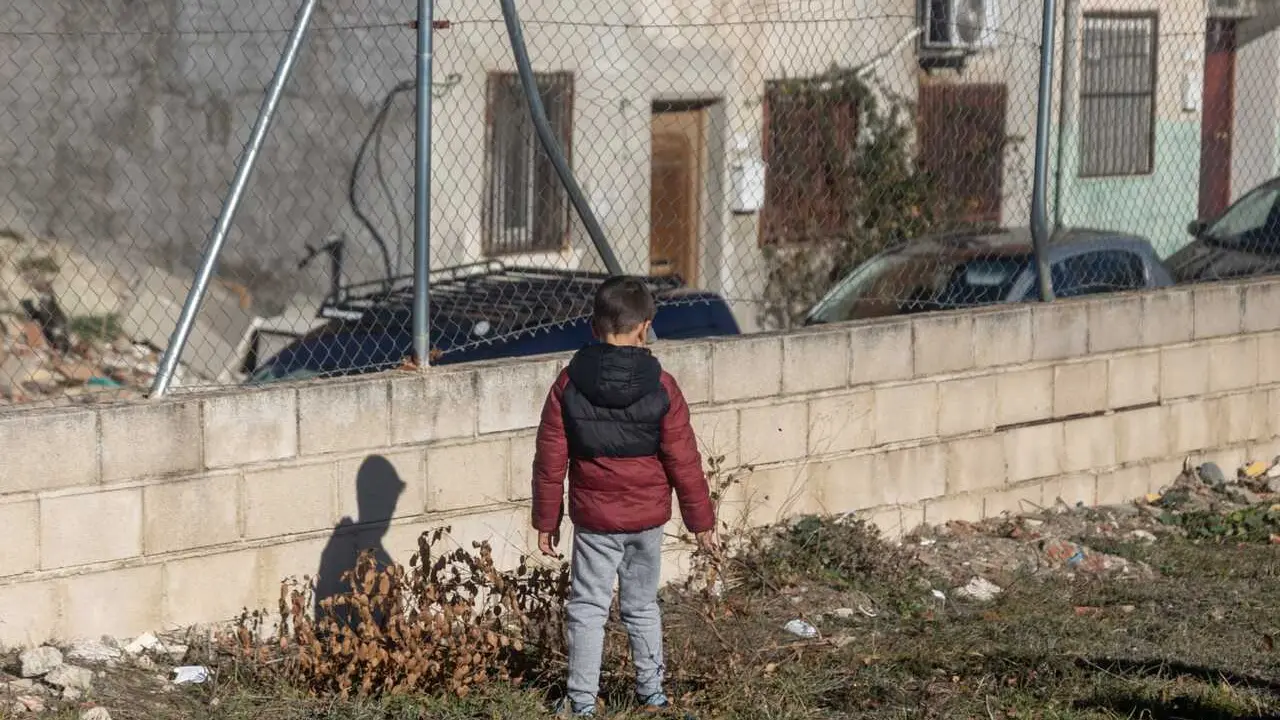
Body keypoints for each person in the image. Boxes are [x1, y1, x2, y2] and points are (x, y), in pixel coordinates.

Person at [531, 275, 719, 717]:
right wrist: (702, 523)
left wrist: (546, 519)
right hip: (647, 521)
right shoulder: (662, 386)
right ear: (645, 327)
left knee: (588, 608)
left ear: (593, 328)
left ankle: (580, 703)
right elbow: (683, 459)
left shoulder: (568, 383)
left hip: (596, 522)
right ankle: (652, 695)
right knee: (641, 605)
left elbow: (550, 457)